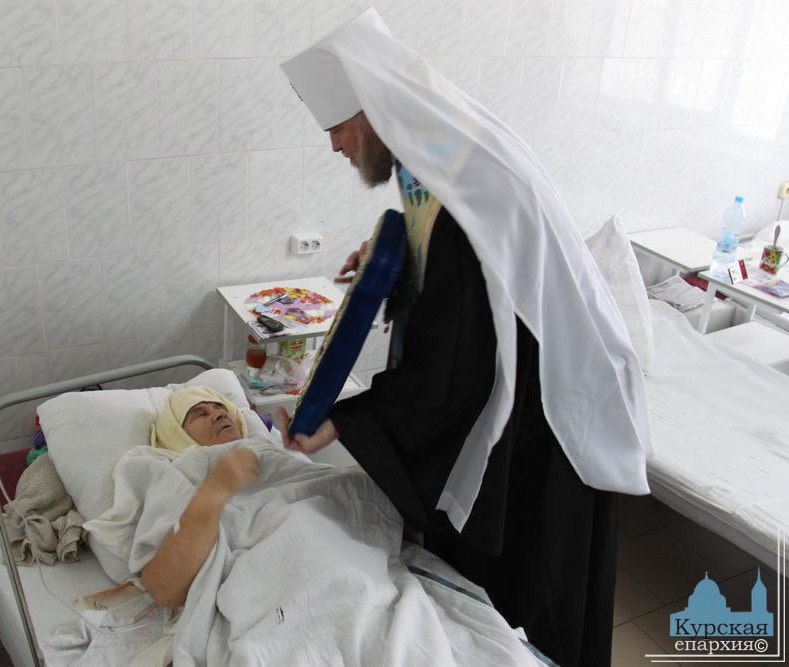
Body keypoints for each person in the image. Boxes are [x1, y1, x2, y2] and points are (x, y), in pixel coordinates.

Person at [274, 9, 654, 667]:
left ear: (375, 112)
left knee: (527, 623)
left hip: (545, 434)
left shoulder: (459, 189)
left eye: (337, 127)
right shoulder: (442, 155)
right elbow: (459, 280)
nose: (333, 146)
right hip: (533, 392)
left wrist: (342, 422)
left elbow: (448, 375)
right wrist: (392, 262)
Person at [141, 386, 260, 608]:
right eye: (200, 414)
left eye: (220, 407)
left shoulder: (270, 451)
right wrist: (216, 489)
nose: (219, 414)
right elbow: (162, 587)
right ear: (178, 435)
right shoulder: (176, 475)